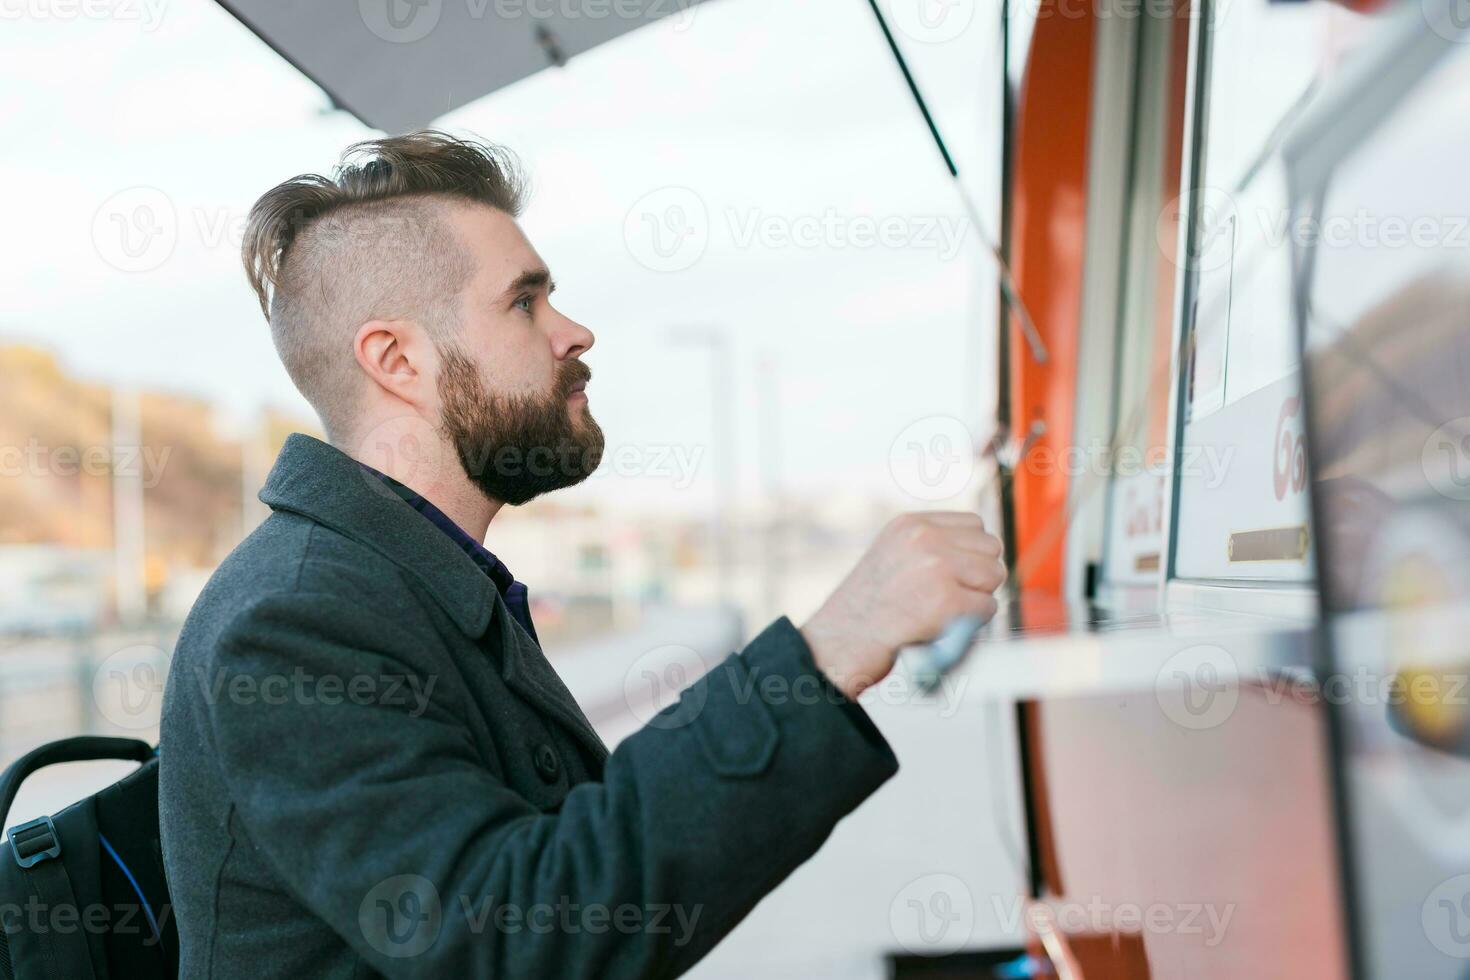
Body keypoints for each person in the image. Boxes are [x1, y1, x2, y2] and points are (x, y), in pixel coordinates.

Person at [158, 131, 1007, 979]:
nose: (576, 332)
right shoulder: (295, 622)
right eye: (524, 303)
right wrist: (829, 651)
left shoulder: (407, 581)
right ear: (397, 360)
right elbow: (511, 941)